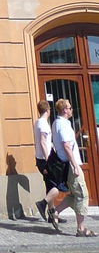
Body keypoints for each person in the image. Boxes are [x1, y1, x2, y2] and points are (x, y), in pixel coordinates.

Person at [49, 97, 96, 237]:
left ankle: (55, 212)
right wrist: (75, 165)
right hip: (70, 163)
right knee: (82, 194)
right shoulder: (62, 124)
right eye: (69, 108)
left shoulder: (57, 123)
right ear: (64, 110)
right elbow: (66, 145)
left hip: (66, 163)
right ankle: (81, 229)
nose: (71, 110)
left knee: (74, 194)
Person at [33, 99, 52, 221]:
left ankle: (52, 213)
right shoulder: (44, 124)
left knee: (50, 184)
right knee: (55, 185)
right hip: (44, 159)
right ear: (47, 110)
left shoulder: (37, 122)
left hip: (39, 157)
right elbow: (43, 142)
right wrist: (48, 160)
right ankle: (44, 204)